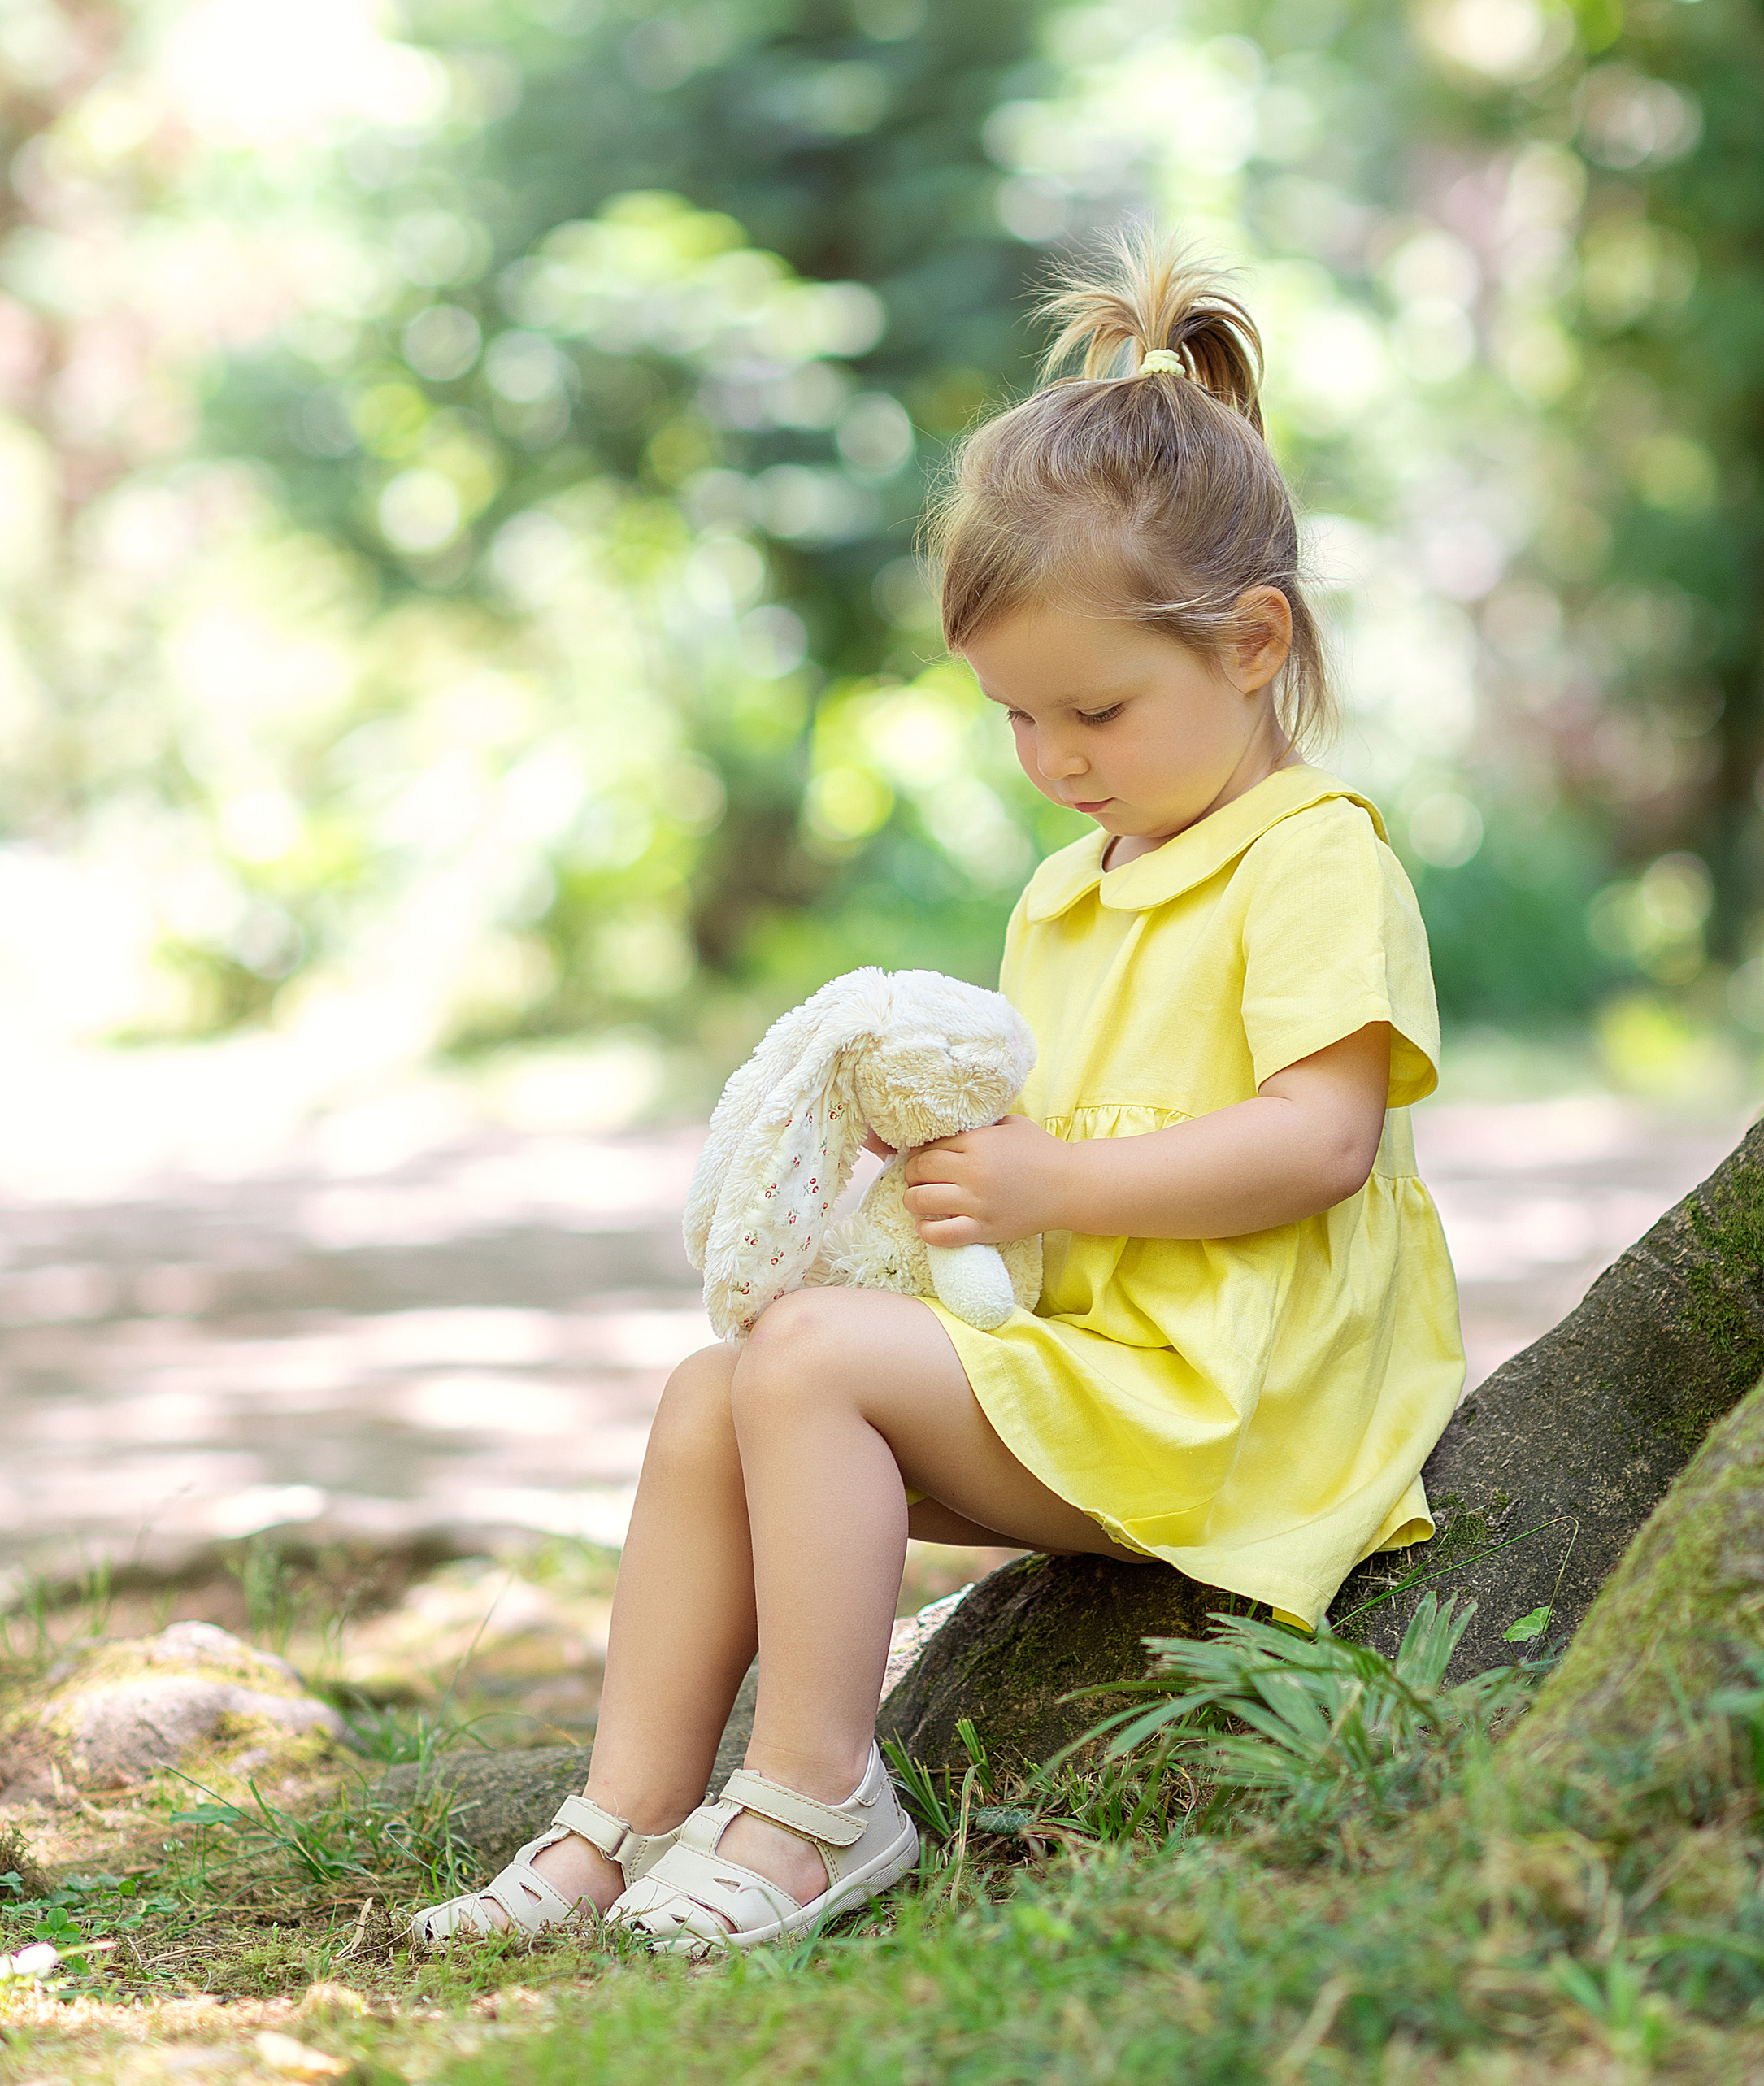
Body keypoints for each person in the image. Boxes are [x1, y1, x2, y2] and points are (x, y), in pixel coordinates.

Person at [412, 235, 1466, 1963]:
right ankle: (618, 1819)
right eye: (1014, 717)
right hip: (1106, 1373)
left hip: (1241, 1402)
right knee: (713, 1390)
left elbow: (1317, 1139)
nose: (1055, 759)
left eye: (1097, 710)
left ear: (1253, 641)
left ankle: (820, 1797)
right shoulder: (1064, 891)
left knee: (811, 1359)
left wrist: (1043, 1186)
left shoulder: (1308, 857)